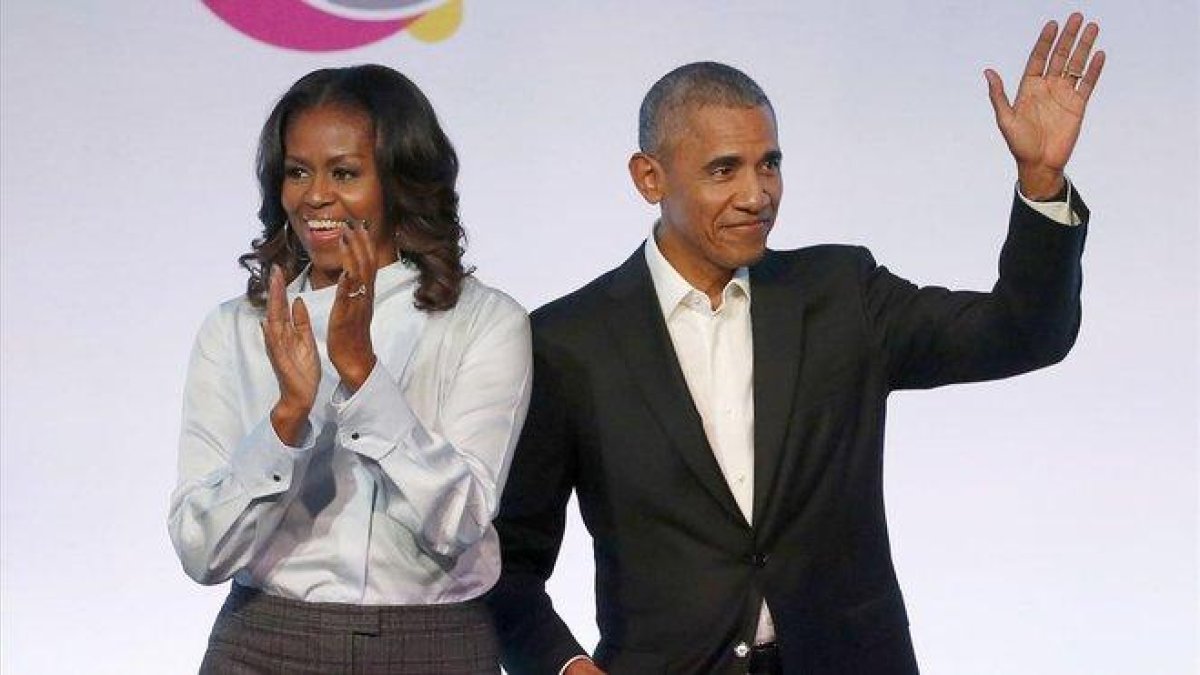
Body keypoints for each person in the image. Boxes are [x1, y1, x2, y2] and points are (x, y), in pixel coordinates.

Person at [487, 13, 1104, 675]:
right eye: (724, 170)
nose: (756, 194)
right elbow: (504, 565)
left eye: (770, 164)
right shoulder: (567, 342)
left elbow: (1023, 333)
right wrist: (566, 667)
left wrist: (1041, 182)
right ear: (649, 178)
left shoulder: (842, 293)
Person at [168, 64, 531, 674]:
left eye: (344, 173)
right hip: (264, 642)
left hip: (433, 644)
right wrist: (287, 420)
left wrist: (363, 376)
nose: (316, 196)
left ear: (398, 180)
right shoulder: (235, 329)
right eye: (297, 172)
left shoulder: (485, 322)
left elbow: (460, 521)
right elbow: (202, 552)